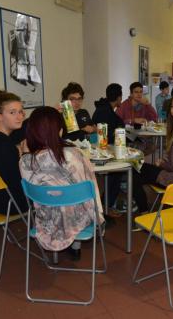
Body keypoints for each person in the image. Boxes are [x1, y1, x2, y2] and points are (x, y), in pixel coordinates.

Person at [20, 106, 105, 260]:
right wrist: (99, 216)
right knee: (79, 196)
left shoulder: (26, 161)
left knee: (59, 198)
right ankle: (76, 246)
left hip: (47, 221)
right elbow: (90, 188)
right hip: (79, 220)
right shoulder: (73, 154)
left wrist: (25, 153)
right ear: (59, 130)